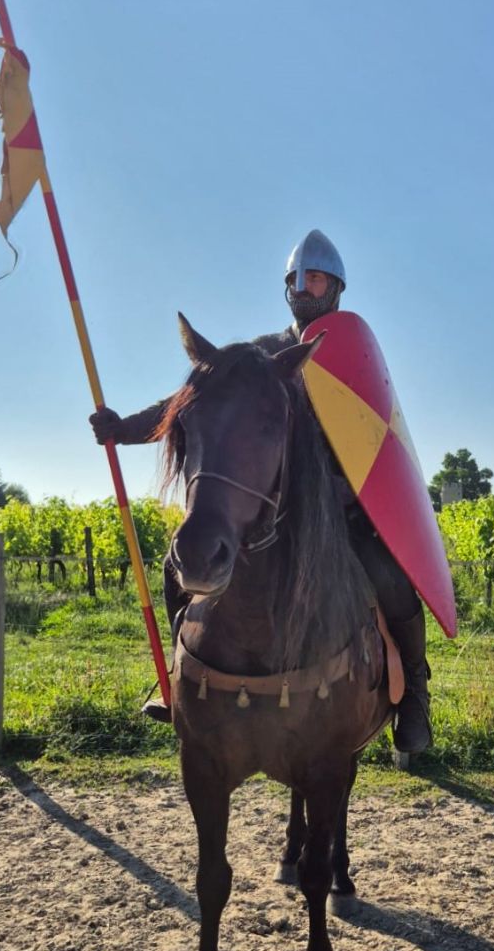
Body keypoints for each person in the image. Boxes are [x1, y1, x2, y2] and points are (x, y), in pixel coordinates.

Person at [89, 229, 434, 752]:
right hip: (277, 513)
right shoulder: (262, 356)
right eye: (298, 277)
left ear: (335, 287)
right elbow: (189, 401)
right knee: (176, 565)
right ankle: (181, 677)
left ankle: (415, 700)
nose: (305, 285)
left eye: (315, 277)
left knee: (390, 581)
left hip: (341, 514)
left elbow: (379, 439)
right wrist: (122, 428)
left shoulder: (353, 359)